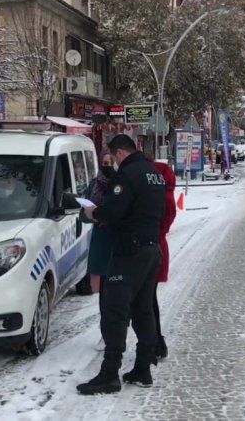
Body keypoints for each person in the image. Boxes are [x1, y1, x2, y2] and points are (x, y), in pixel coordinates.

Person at [77, 134, 165, 395]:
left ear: (118, 152)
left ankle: (109, 374)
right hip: (151, 250)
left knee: (115, 312)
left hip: (128, 253)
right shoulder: (153, 173)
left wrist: (94, 212)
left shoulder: (126, 176)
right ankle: (142, 368)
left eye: (112, 156)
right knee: (143, 310)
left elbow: (113, 213)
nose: (112, 161)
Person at [80, 153, 116, 350]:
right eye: (105, 163)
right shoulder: (94, 185)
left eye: (111, 163)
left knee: (120, 294)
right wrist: (90, 214)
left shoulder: (123, 183)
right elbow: (82, 216)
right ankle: (106, 334)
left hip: (120, 243)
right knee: (104, 295)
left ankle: (121, 331)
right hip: (102, 244)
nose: (108, 166)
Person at [150, 160, 177, 362]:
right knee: (149, 300)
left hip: (154, 248)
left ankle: (156, 342)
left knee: (148, 301)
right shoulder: (166, 195)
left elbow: (164, 224)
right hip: (158, 248)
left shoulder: (163, 198)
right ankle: (156, 341)